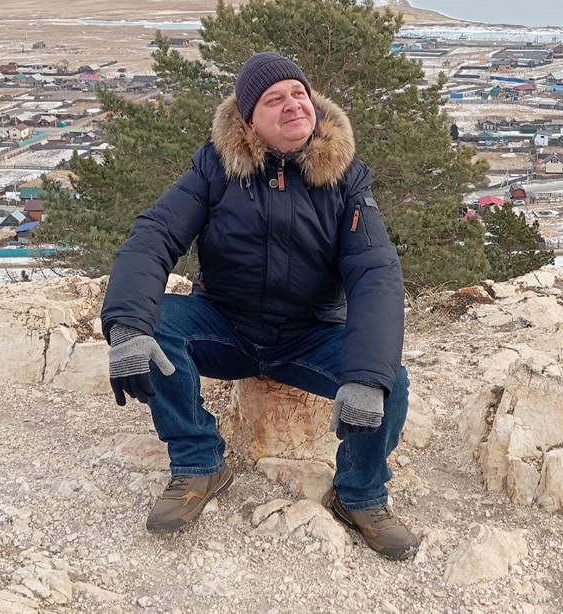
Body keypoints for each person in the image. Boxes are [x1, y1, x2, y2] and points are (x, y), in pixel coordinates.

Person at [101, 52, 418, 560]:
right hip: (225, 325)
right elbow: (155, 234)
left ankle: (360, 494)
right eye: (274, 99)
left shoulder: (347, 177)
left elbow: (374, 270)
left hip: (310, 335)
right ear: (249, 122)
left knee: (388, 381)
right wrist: (126, 325)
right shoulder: (215, 166)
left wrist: (365, 376)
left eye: (299, 93)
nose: (293, 104)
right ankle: (199, 462)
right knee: (152, 326)